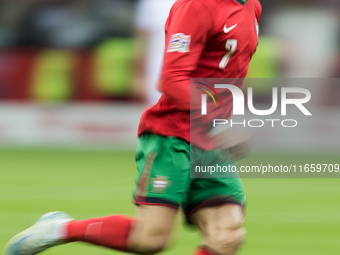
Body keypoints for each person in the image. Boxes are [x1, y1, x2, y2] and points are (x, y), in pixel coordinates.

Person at [5, 0, 262, 254]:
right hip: (174, 135)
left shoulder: (252, 6)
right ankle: (60, 229)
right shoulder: (198, 6)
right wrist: (214, 120)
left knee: (227, 235)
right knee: (150, 240)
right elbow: (172, 79)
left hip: (211, 140)